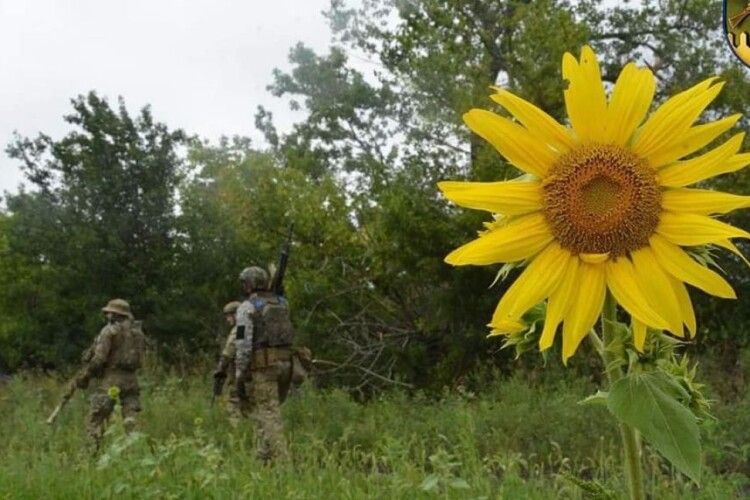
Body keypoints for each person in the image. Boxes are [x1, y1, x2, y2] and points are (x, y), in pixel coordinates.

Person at [234, 266, 294, 462]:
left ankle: (283, 463)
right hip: (286, 365)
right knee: (266, 411)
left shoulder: (246, 307)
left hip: (264, 367)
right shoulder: (282, 302)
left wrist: (240, 372)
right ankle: (263, 458)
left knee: (268, 413)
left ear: (249, 284)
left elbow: (242, 341)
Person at [75, 298, 145, 451]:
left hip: (111, 381)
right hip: (132, 382)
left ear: (114, 315)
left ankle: (90, 455)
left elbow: (99, 359)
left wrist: (85, 376)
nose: (107, 316)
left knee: (96, 420)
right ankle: (135, 453)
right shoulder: (137, 333)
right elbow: (140, 360)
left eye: (109, 313)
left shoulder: (109, 331)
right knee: (131, 423)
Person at [213, 301, 248, 425]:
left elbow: (230, 349)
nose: (227, 319)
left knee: (233, 402)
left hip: (240, 374)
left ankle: (237, 432)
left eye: (229, 316)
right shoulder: (251, 327)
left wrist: (220, 367)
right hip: (249, 373)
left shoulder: (240, 328)